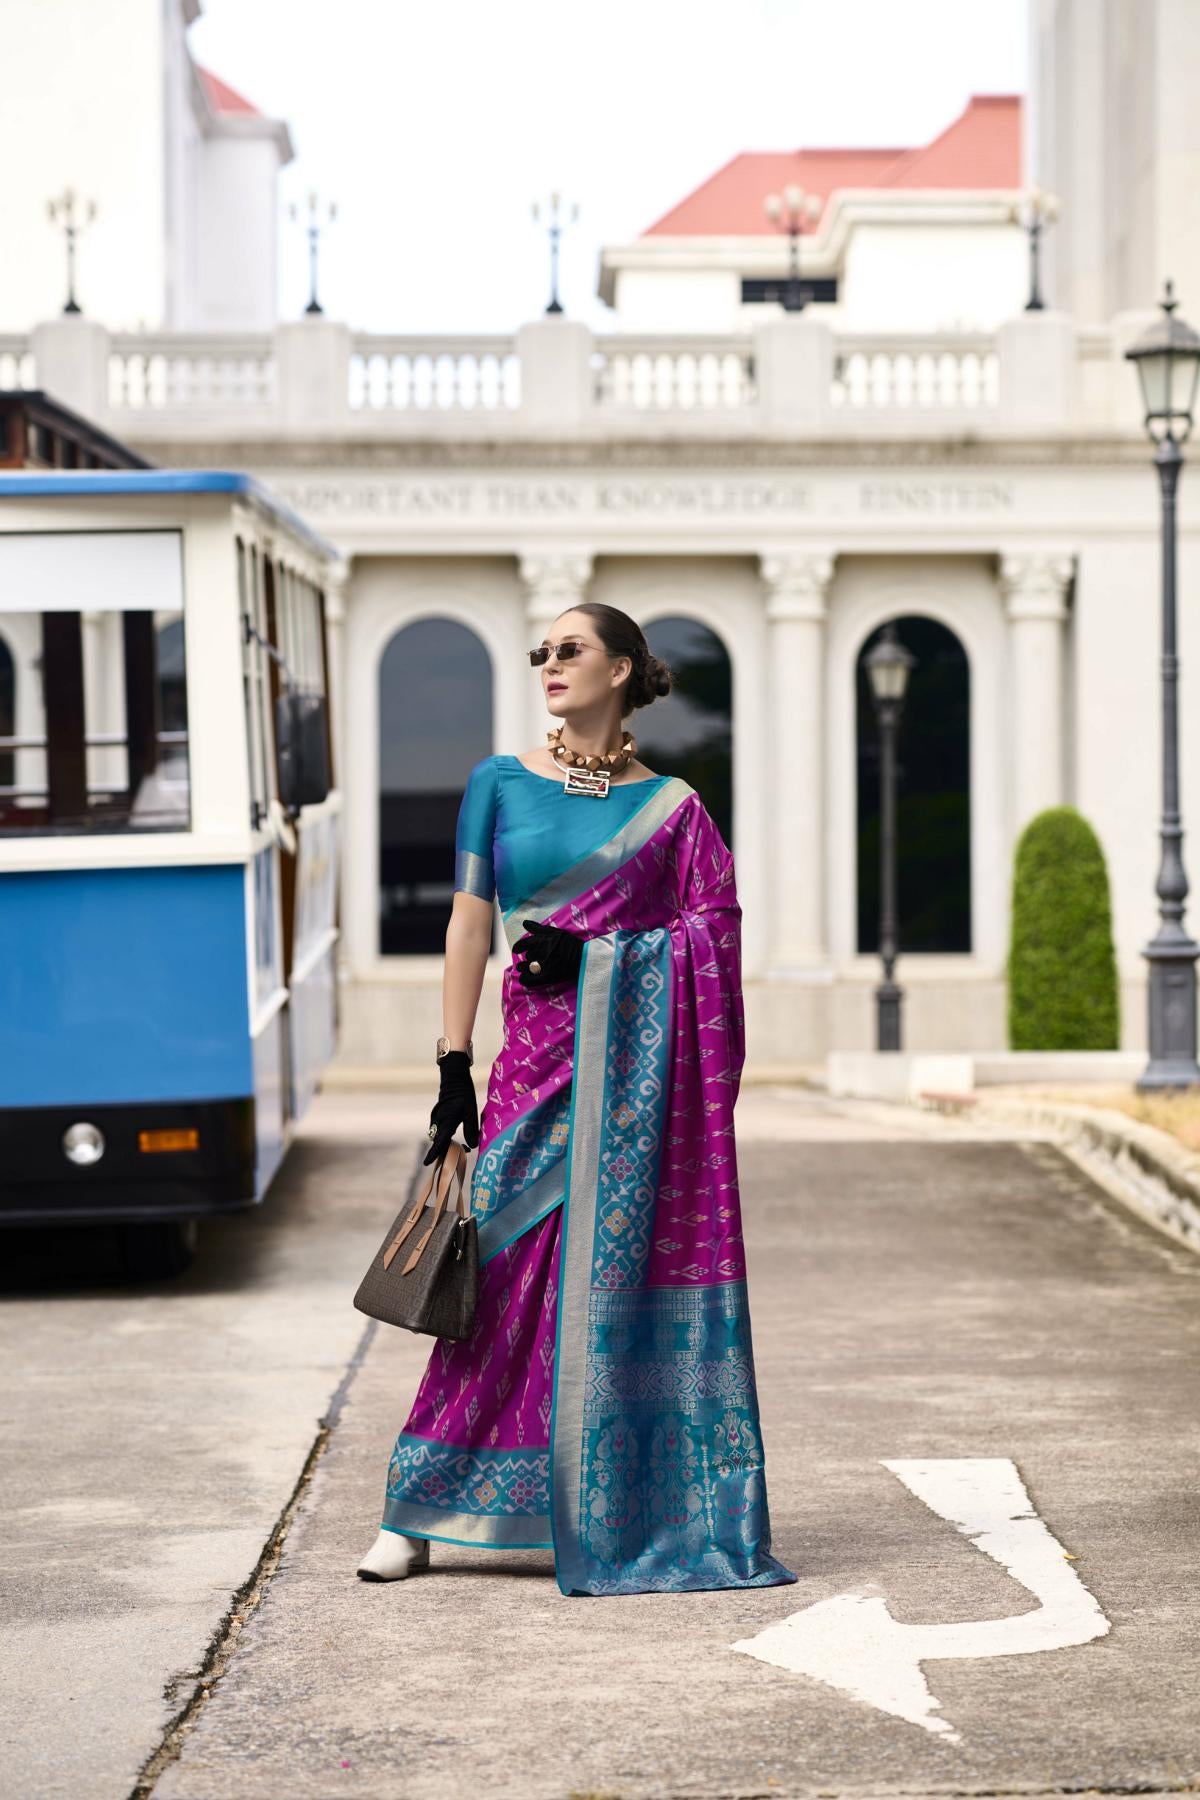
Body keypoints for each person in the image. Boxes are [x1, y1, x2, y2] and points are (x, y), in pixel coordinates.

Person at [356, 602, 795, 1597]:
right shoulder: (498, 783)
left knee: (603, 1285)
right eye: (541, 653)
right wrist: (453, 1061)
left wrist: (600, 958)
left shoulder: (675, 810)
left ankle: (603, 1502)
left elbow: (714, 935)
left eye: (571, 650)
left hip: (630, 1095)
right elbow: (470, 924)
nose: (549, 665)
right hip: (530, 1070)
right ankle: (415, 1512)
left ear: (623, 669)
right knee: (495, 1278)